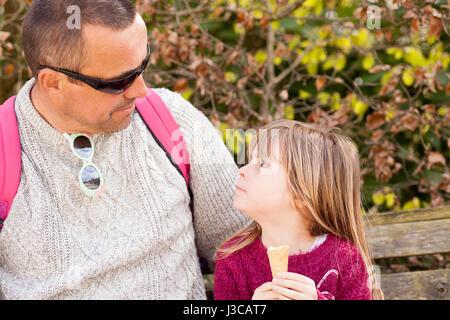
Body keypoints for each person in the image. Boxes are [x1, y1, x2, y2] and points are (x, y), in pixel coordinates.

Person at [0, 0, 249, 299]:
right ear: (53, 82)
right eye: (119, 82)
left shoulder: (172, 120)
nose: (141, 90)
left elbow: (245, 248)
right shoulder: (6, 152)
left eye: (142, 65)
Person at [214, 119, 384, 300]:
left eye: (263, 164)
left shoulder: (345, 259)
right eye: (250, 161)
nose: (242, 170)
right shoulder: (232, 259)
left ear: (302, 195)